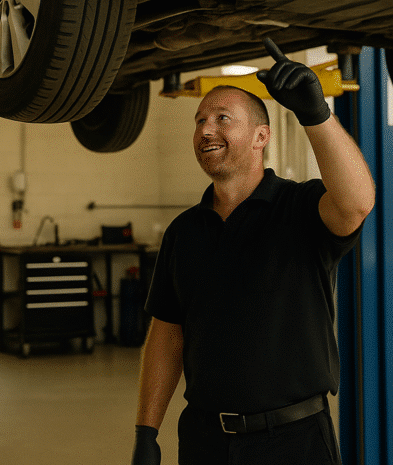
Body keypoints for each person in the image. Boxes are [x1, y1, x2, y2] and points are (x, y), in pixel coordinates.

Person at [131, 38, 376, 465]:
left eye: (222, 118)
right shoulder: (183, 232)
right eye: (200, 120)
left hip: (294, 441)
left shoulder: (301, 209)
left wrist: (314, 113)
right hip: (205, 441)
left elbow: (357, 202)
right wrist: (145, 433)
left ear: (262, 136)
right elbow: (167, 336)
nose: (206, 130)